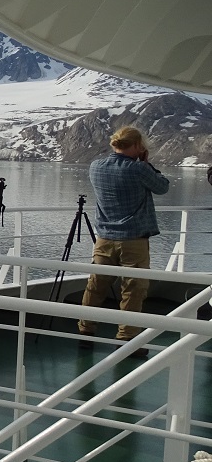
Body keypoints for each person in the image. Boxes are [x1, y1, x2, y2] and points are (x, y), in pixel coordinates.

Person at [78, 126, 170, 355]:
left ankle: (85, 331)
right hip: (134, 240)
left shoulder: (95, 166)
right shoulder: (138, 170)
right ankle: (126, 338)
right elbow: (163, 186)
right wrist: (146, 163)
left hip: (104, 238)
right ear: (138, 146)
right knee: (133, 289)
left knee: (96, 285)